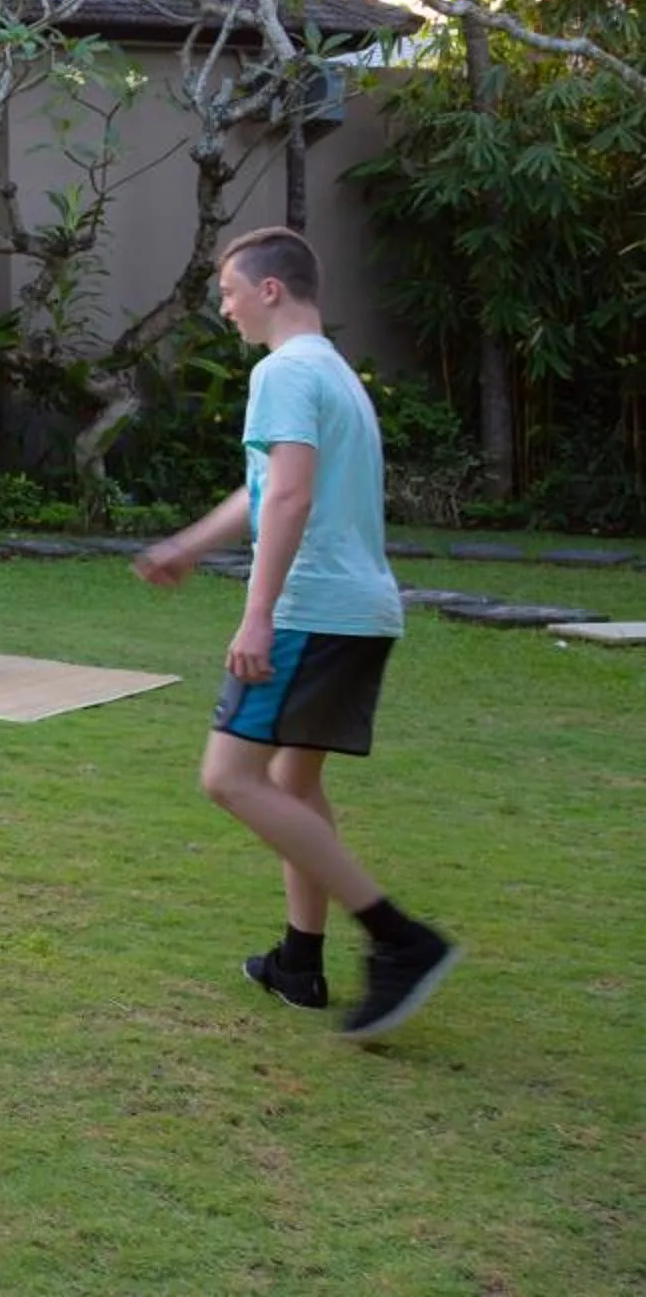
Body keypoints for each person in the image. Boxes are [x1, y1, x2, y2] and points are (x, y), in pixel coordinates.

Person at [134, 225, 457, 1042]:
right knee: (294, 782)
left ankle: (397, 938)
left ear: (270, 289)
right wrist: (188, 546)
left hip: (310, 611)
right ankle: (298, 962)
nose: (226, 307)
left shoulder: (281, 371)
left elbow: (290, 499)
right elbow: (265, 490)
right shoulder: (335, 373)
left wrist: (258, 612)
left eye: (230, 292)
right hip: (359, 610)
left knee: (229, 778)